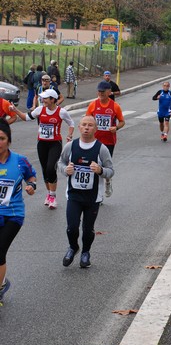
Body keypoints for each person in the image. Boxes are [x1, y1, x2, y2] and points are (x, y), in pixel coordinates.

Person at [58, 115, 114, 269]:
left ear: (95, 129)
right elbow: (60, 162)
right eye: (84, 125)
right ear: (79, 127)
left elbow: (111, 170)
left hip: (92, 197)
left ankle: (86, 252)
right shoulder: (71, 146)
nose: (87, 128)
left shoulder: (101, 149)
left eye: (90, 125)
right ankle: (73, 247)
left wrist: (100, 170)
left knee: (88, 229)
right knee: (72, 227)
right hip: (74, 196)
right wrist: (65, 169)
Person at [10, 89, 74, 209]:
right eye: (42, 98)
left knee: (51, 168)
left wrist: (70, 135)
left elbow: (71, 123)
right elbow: (26, 117)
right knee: (45, 170)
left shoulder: (61, 112)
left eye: (45, 98)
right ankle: (49, 194)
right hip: (42, 144)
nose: (43, 100)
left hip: (55, 143)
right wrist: (15, 110)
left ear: (53, 99)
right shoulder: (40, 110)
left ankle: (53, 196)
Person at [0, 119, 37, 304]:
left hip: (13, 215)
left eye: (1, 138)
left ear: (9, 141)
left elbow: (31, 176)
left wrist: (31, 186)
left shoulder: (20, 161)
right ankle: (2, 282)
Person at [86, 81, 125, 197]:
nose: (101, 93)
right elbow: (87, 120)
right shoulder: (93, 105)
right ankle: (98, 194)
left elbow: (122, 122)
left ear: (109, 92)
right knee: (95, 166)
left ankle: (108, 181)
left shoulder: (115, 106)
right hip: (95, 141)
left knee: (104, 166)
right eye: (99, 91)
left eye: (103, 91)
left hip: (109, 141)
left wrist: (116, 127)